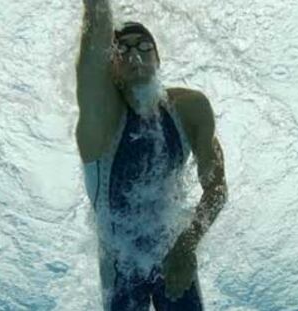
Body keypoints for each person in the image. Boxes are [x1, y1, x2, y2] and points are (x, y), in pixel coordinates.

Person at [75, 0, 228, 310]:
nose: (134, 55)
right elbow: (95, 34)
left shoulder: (190, 109)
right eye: (122, 48)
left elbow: (217, 187)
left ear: (158, 59)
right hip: (119, 261)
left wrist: (188, 243)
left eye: (144, 46)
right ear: (111, 65)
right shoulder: (101, 118)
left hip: (173, 248)